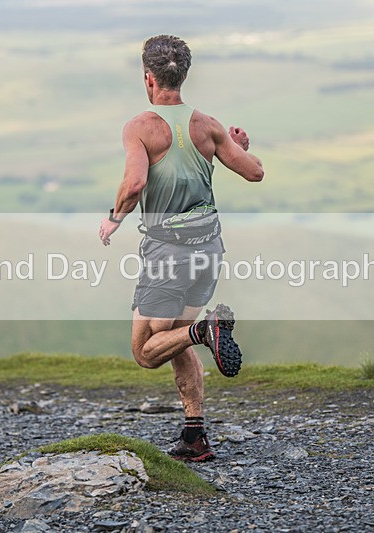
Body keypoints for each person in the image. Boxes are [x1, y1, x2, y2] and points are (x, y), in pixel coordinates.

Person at [98, 34, 264, 461]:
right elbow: (254, 173)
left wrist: (113, 217)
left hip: (167, 254)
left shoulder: (140, 127)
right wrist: (238, 147)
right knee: (172, 339)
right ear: (183, 76)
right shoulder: (208, 126)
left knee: (145, 352)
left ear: (149, 78)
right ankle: (194, 438)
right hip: (209, 250)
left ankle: (202, 330)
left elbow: (134, 184)